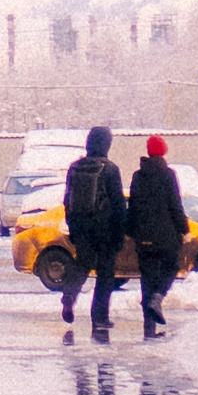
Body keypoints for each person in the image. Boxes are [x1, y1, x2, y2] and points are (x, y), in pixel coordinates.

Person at [61, 124, 127, 336]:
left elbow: (67, 200)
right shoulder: (110, 169)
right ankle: (100, 318)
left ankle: (69, 295)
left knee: (82, 264)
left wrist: (72, 226)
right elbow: (118, 204)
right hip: (104, 228)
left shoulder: (75, 167)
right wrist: (120, 233)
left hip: (81, 226)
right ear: (106, 144)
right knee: (105, 273)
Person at [127, 132, 189, 339]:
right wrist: (184, 228)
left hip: (143, 237)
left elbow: (133, 206)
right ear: (163, 152)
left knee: (147, 280)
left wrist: (131, 230)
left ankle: (149, 330)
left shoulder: (138, 175)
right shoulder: (168, 174)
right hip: (166, 235)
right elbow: (175, 205)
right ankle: (158, 296)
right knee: (171, 266)